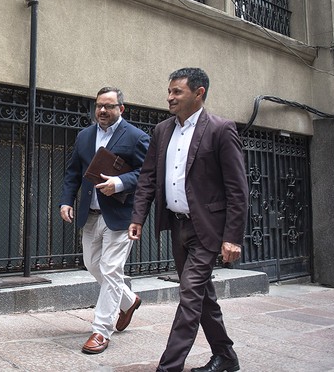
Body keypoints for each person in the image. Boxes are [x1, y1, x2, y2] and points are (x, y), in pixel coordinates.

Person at [128, 68, 248, 372]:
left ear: (199, 93)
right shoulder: (162, 130)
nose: (170, 97)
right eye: (169, 91)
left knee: (190, 295)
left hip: (207, 229)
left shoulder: (222, 129)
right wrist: (139, 216)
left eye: (177, 92)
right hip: (177, 225)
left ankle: (169, 367)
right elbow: (148, 177)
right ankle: (226, 357)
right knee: (203, 297)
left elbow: (237, 188)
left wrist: (232, 237)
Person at [60, 86, 150, 354]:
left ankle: (101, 330)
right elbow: (73, 172)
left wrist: (121, 182)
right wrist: (66, 200)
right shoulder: (84, 136)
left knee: (111, 270)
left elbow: (146, 175)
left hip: (121, 216)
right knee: (92, 264)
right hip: (91, 214)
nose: (102, 110)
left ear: (121, 109)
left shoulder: (136, 137)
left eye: (109, 106)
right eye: (99, 105)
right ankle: (129, 300)